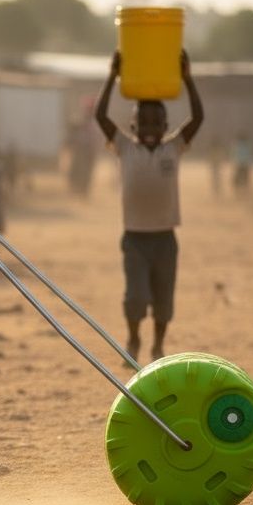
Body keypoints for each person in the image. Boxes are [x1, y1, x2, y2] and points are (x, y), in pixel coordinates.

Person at [95, 49, 204, 364]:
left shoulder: (174, 147)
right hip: (135, 238)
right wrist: (112, 76)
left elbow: (198, 118)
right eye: (143, 121)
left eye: (157, 122)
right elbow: (101, 117)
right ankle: (133, 338)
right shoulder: (124, 147)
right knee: (136, 297)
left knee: (163, 299)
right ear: (133, 124)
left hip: (165, 239)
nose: (151, 127)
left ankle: (157, 345)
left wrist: (187, 79)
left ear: (166, 124)